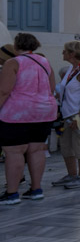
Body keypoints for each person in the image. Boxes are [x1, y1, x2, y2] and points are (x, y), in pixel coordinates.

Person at [0, 33, 59, 204]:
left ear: (16, 46)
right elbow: (52, 88)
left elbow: (4, 91)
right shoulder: (45, 62)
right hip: (44, 112)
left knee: (14, 152)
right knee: (37, 149)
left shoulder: (13, 62)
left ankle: (12, 193)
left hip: (18, 114)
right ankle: (36, 189)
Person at [54, 41, 80, 189]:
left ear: (72, 53)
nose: (63, 53)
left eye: (65, 51)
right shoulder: (72, 69)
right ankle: (72, 174)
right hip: (68, 113)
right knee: (66, 144)